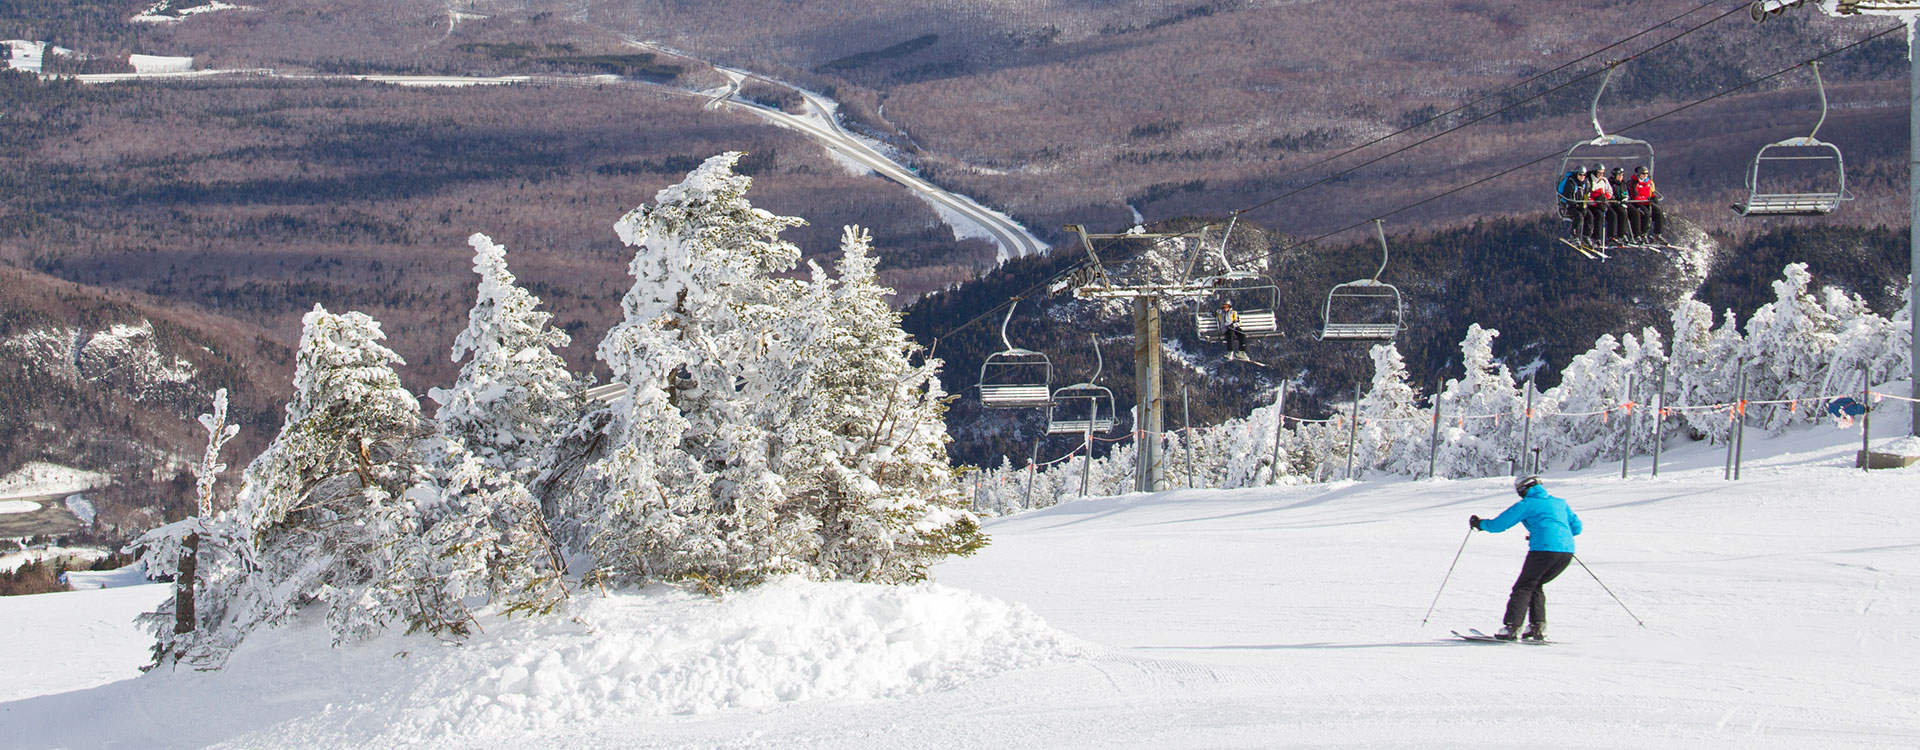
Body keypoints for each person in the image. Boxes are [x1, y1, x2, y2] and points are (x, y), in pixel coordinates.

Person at [1469, 475, 1582, 641]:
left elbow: (1499, 525)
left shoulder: (1527, 504)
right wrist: (1550, 534)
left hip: (1543, 550)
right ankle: (1537, 627)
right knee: (1535, 584)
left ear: (1523, 489)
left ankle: (1511, 627)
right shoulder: (1560, 503)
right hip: (1566, 552)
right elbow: (1576, 528)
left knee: (1523, 586)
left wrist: (1479, 524)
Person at [1626, 165, 1665, 242]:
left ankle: (1658, 234)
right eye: (1643, 174)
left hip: (1647, 203)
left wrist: (1654, 197)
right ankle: (1642, 234)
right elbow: (1635, 197)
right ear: (1638, 174)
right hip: (1638, 203)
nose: (1645, 176)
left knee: (1659, 213)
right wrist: (1646, 199)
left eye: (1646, 174)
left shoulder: (1649, 182)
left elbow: (1651, 192)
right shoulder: (1634, 183)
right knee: (1646, 214)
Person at [1557, 166, 1590, 239]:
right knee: (1578, 216)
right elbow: (1569, 196)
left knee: (1589, 215)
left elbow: (1586, 195)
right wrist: (1576, 205)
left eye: (1584, 175)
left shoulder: (1585, 184)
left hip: (1580, 206)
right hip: (1570, 206)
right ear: (1576, 174)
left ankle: (1586, 236)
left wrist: (1584, 205)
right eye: (1580, 175)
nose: (1582, 177)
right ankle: (1574, 236)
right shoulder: (1571, 183)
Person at [1584, 163, 1614, 243]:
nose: (1601, 175)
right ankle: (1592, 237)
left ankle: (1612, 236)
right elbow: (1586, 194)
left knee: (1612, 214)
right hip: (1591, 204)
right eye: (1599, 173)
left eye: (1603, 173)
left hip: (1601, 203)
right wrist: (1594, 201)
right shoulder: (1588, 180)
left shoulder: (1604, 180)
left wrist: (1605, 197)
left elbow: (1610, 191)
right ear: (1594, 172)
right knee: (1598, 215)